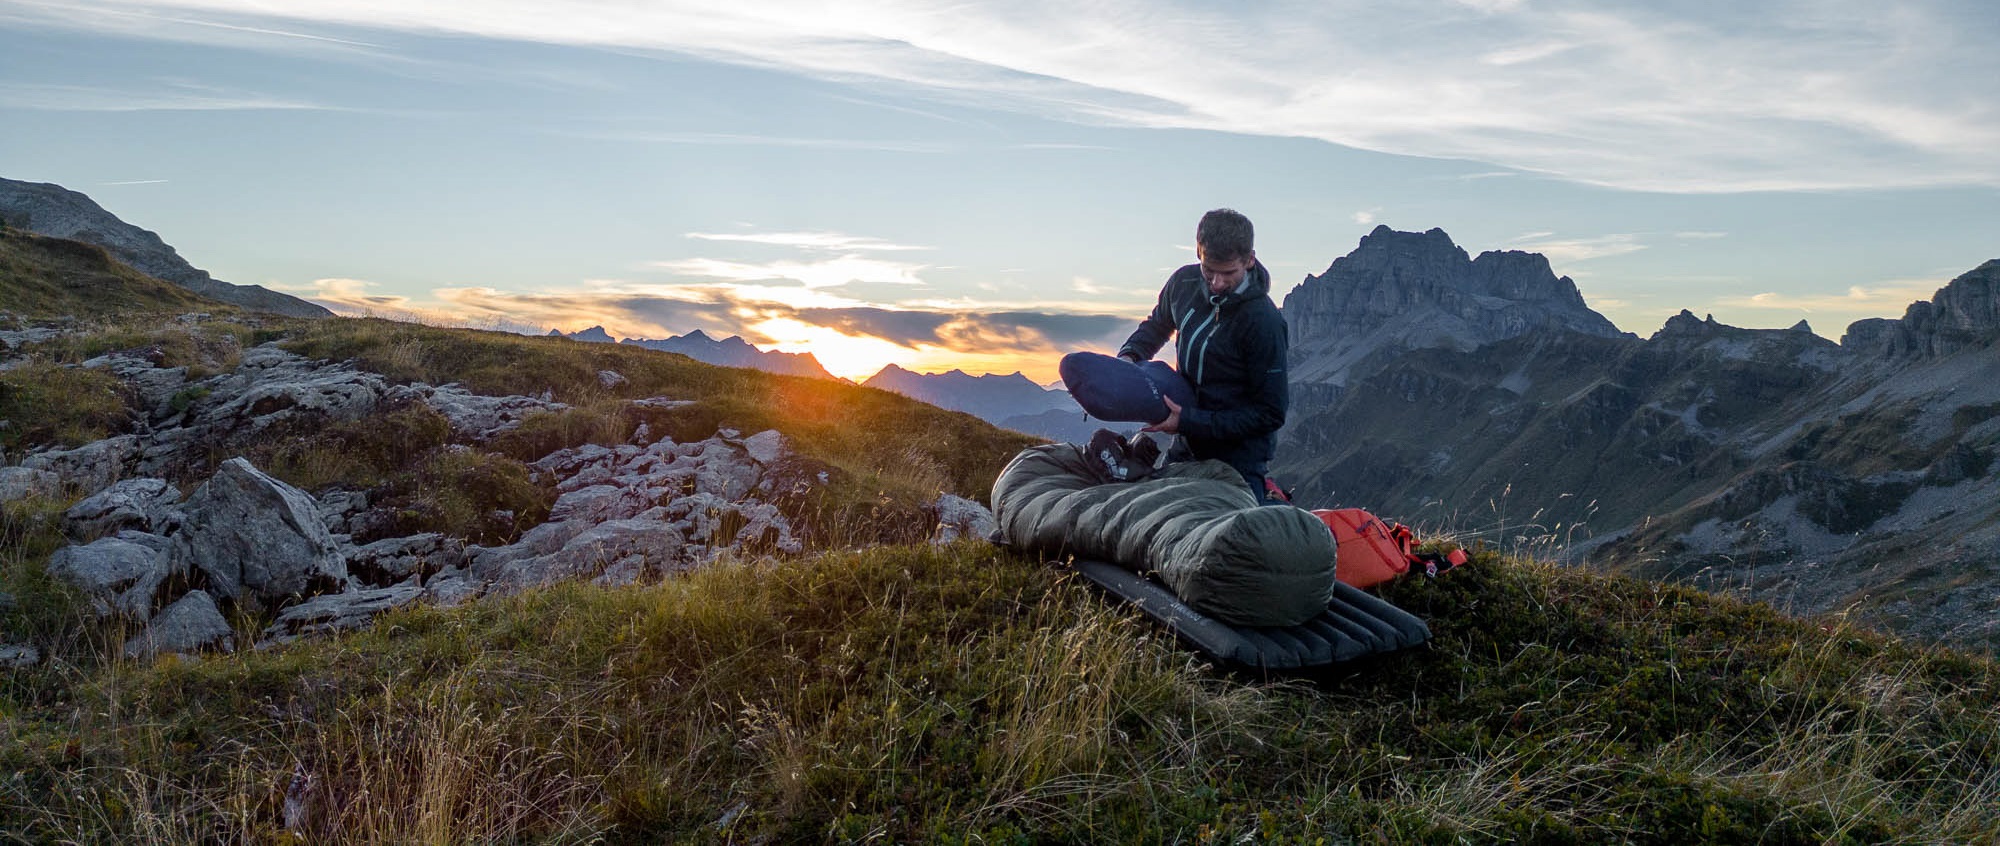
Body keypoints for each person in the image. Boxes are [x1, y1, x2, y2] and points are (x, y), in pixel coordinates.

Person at [1118, 208, 1289, 501]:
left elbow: (1270, 413)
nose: (1217, 283)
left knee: (1227, 542)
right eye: (1209, 270)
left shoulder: (1264, 321)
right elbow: (1158, 324)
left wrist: (1189, 421)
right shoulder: (1183, 283)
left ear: (1249, 260)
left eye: (1228, 273)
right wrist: (1130, 357)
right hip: (1186, 445)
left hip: (1238, 459)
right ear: (1198, 251)